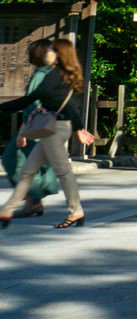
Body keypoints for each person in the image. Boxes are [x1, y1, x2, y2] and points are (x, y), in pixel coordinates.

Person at [1, 38, 93, 229]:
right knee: (27, 171)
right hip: (56, 127)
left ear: (59, 54)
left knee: (63, 172)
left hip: (54, 130)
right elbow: (71, 107)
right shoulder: (66, 75)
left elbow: (32, 99)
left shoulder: (53, 75)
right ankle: (7, 209)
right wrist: (78, 129)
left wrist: (2, 107)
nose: (47, 53)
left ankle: (76, 212)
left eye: (51, 50)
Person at [1, 41, 63, 220]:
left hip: (34, 126)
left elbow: (34, 105)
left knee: (13, 160)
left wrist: (23, 130)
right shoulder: (52, 74)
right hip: (46, 126)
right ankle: (33, 200)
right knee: (34, 164)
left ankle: (33, 199)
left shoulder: (42, 75)